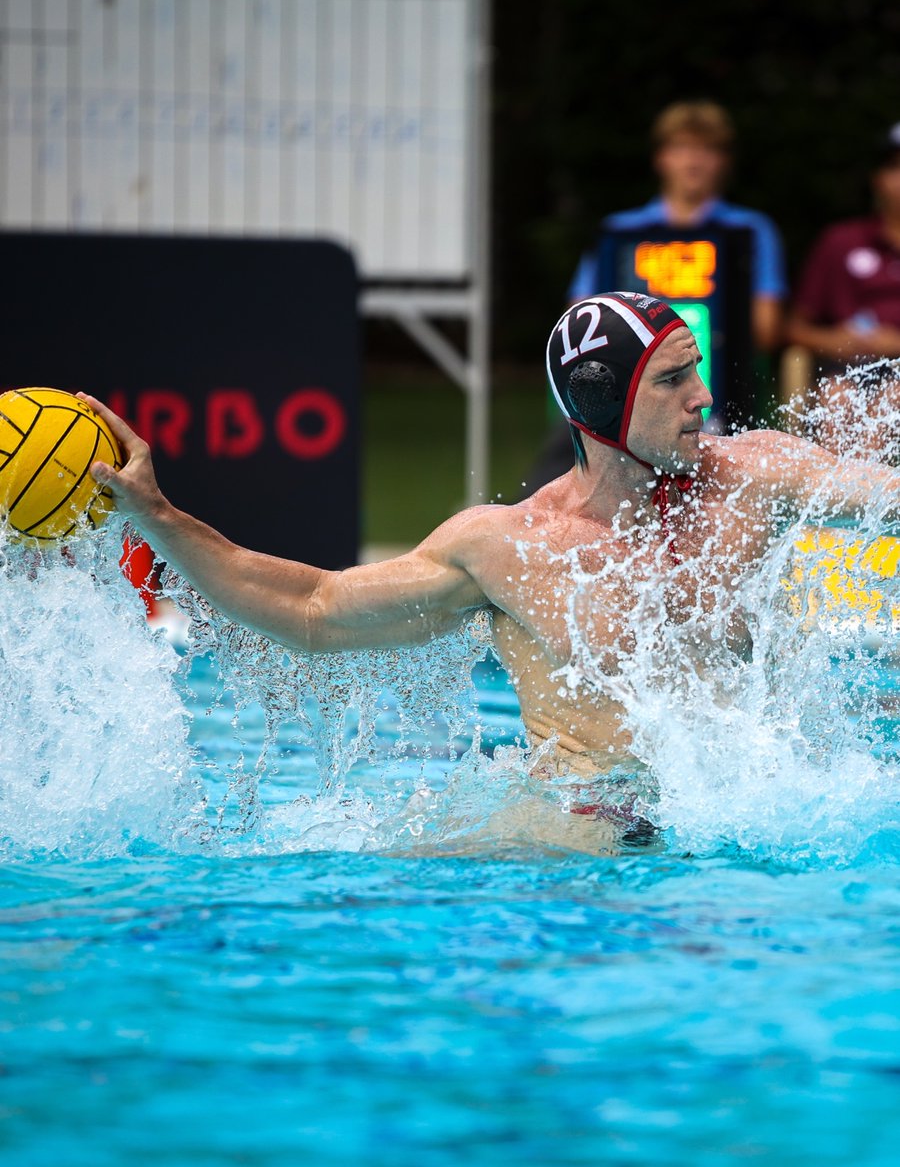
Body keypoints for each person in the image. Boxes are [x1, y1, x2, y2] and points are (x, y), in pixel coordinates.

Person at [79, 292, 897, 826]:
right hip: (587, 829)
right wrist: (157, 515)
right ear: (606, 401)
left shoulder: (754, 477)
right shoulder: (509, 549)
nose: (704, 399)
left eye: (698, 375)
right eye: (675, 381)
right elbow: (312, 610)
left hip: (752, 814)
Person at [527, 101, 788, 489]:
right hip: (619, 397)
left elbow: (766, 331)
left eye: (706, 150)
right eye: (681, 148)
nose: (693, 162)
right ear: (660, 158)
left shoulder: (750, 232)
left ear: (723, 161)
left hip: (722, 396)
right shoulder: (617, 233)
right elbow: (577, 320)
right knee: (554, 477)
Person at [784, 122, 900, 442]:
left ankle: (872, 491)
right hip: (844, 369)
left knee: (893, 396)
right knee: (837, 398)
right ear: (877, 179)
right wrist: (833, 340)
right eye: (894, 167)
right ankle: (847, 491)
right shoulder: (840, 241)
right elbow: (793, 327)